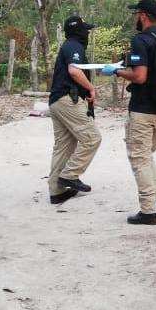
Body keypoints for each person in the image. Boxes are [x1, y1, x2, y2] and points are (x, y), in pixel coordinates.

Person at [103, 0, 156, 225]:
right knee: (146, 155)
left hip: (142, 110)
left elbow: (140, 76)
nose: (135, 19)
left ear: (143, 16)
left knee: (139, 159)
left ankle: (148, 211)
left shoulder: (141, 40)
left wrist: (116, 72)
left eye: (136, 14)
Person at [46, 16, 102, 205]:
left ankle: (56, 191)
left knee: (64, 146)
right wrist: (91, 88)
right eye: (85, 30)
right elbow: (74, 71)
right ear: (78, 31)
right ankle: (70, 175)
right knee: (92, 138)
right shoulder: (74, 46)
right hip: (67, 100)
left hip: (56, 101)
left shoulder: (68, 46)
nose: (87, 33)